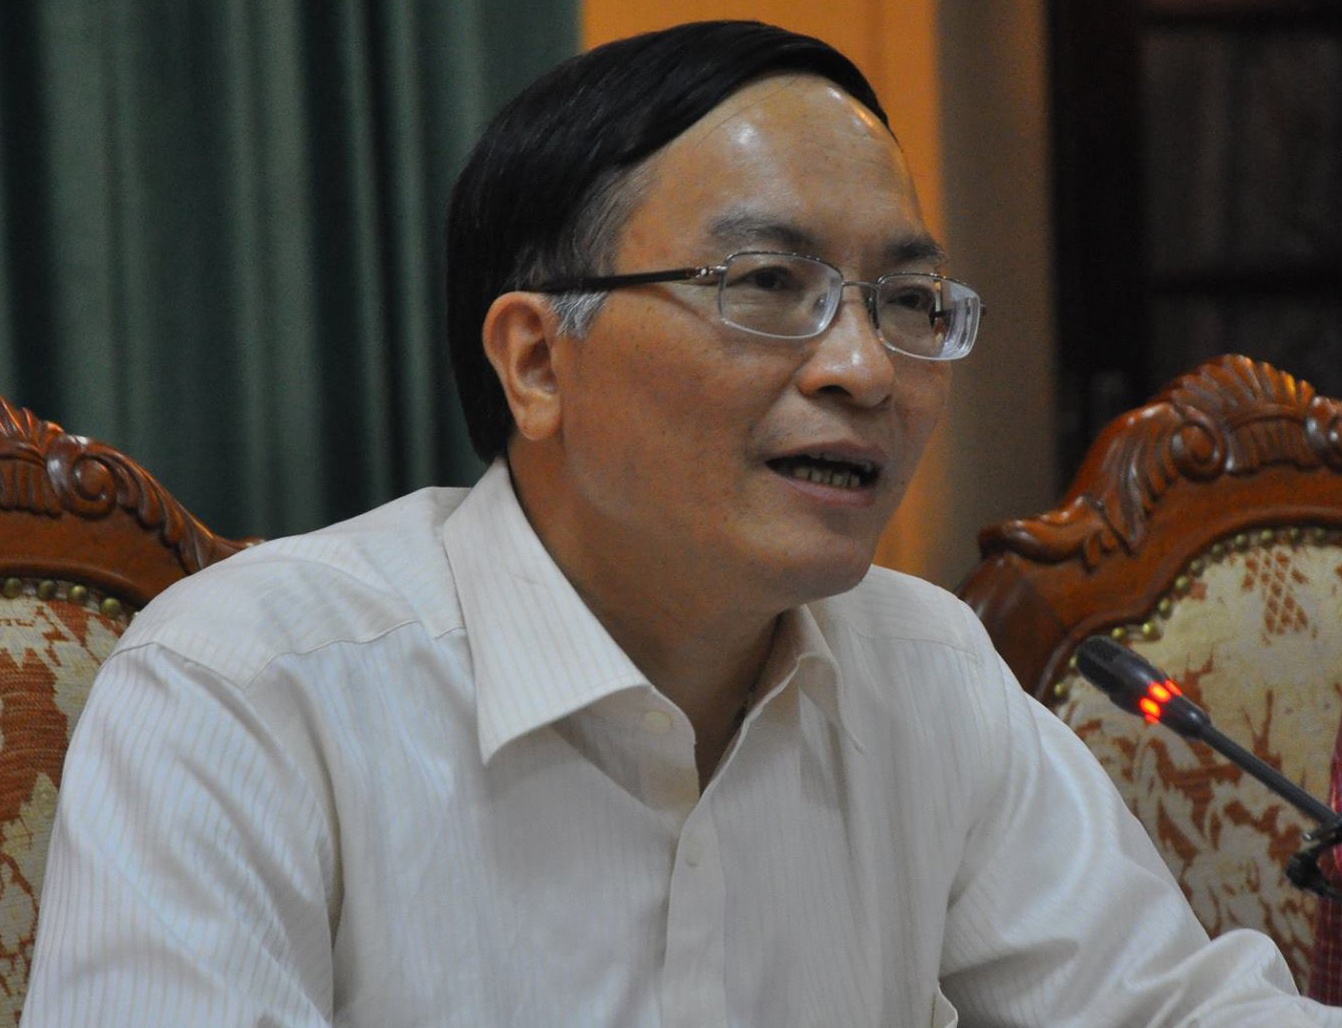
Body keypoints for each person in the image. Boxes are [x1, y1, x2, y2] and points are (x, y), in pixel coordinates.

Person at [21, 19, 1342, 1027]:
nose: (863, 369)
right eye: (766, 282)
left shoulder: (922, 668)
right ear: (536, 360)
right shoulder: (247, 692)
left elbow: (1174, 1011)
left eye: (908, 301)